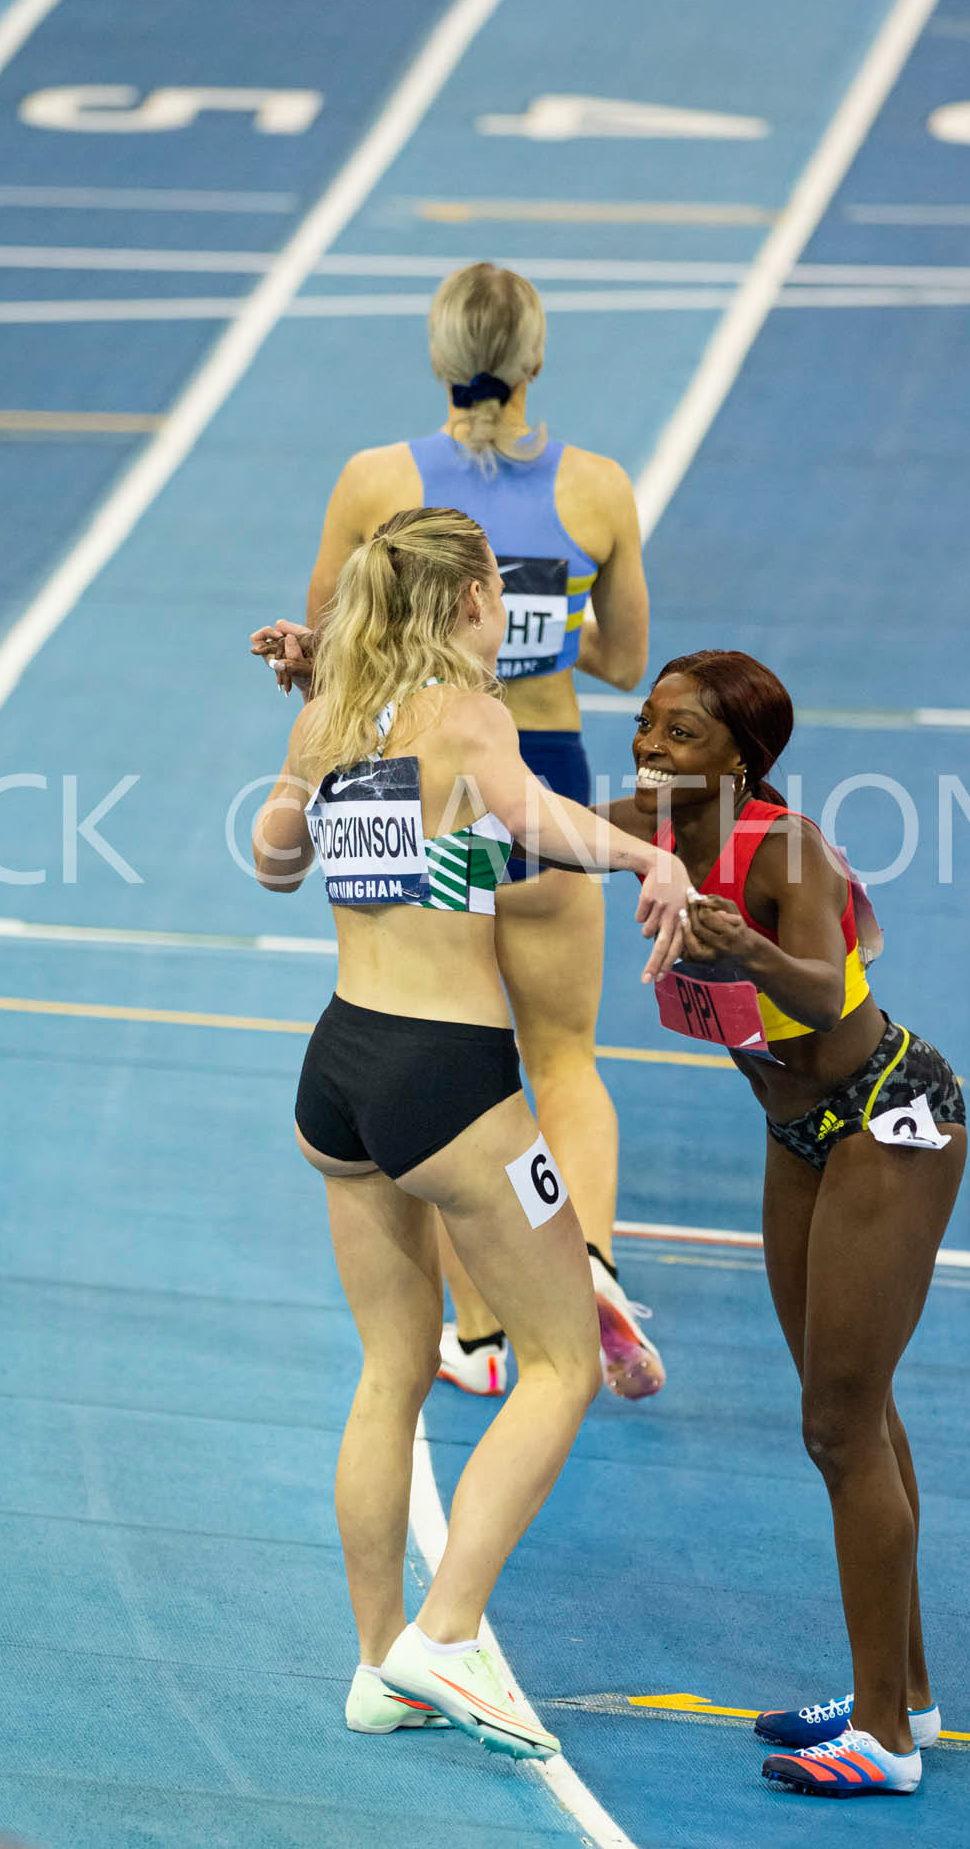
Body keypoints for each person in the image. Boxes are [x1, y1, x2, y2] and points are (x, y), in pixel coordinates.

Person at [250, 507, 688, 1760]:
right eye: (498, 593)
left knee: (393, 1370)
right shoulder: (465, 712)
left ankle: (379, 1660)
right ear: (463, 604)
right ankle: (448, 1634)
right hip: (446, 1078)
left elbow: (277, 862)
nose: (507, 616)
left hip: (337, 1071)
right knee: (562, 1362)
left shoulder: (331, 717)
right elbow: (533, 816)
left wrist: (305, 761)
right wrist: (641, 859)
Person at [288, 260, 662, 1400]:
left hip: (420, 782)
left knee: (445, 1029)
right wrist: (543, 632)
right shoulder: (595, 488)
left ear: (440, 358)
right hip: (538, 762)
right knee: (562, 1054)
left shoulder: (375, 480)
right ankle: (583, 1257)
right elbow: (626, 661)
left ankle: (484, 1328)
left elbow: (331, 642)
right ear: (536, 356)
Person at [610, 650, 965, 1799]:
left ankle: (885, 1741)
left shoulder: (786, 846)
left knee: (836, 1424)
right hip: (799, 1134)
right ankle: (898, 1693)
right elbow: (520, 818)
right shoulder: (655, 826)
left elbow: (819, 985)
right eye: (645, 727)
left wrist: (745, 945)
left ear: (742, 758)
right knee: (851, 1406)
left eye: (679, 736)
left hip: (889, 1118)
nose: (651, 752)